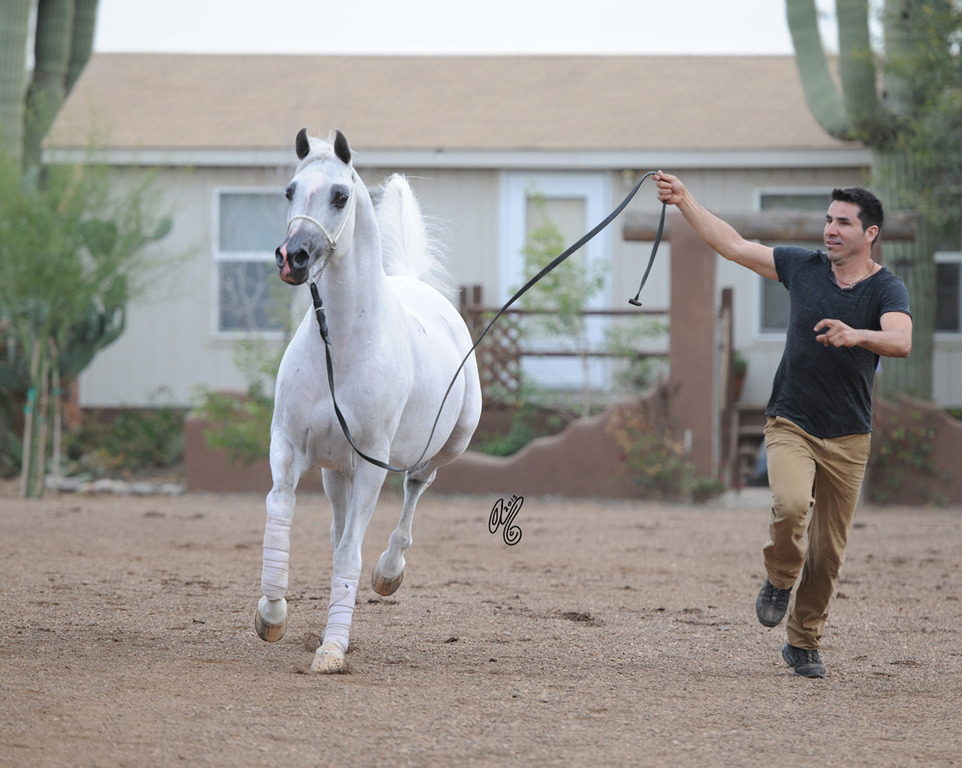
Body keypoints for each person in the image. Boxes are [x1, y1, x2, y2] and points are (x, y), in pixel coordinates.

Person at [654, 171, 912, 678]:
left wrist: (856, 334)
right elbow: (733, 245)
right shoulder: (801, 266)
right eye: (828, 220)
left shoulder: (886, 288)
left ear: (870, 233)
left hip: (849, 435)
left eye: (843, 223)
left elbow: (901, 340)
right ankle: (779, 578)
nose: (830, 229)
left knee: (828, 554)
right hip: (792, 419)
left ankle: (803, 643)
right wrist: (685, 200)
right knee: (791, 505)